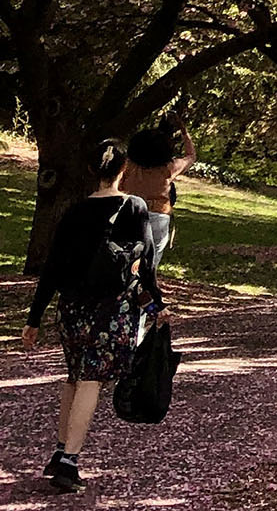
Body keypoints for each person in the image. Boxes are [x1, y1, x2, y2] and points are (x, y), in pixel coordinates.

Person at [21, 139, 161, 495]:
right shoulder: (135, 207)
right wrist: (156, 306)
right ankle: (69, 461)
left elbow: (50, 268)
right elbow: (144, 265)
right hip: (110, 309)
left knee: (75, 376)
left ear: (90, 171)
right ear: (123, 169)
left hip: (71, 309)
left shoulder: (73, 212)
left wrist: (33, 319)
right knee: (91, 380)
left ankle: (59, 451)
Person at [120, 120, 196, 268]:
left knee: (124, 255)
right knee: (151, 260)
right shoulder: (169, 168)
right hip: (159, 214)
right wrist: (184, 132)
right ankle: (145, 286)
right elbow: (191, 156)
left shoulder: (128, 166)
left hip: (129, 211)